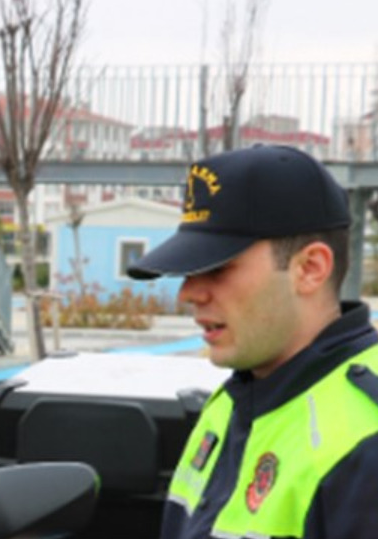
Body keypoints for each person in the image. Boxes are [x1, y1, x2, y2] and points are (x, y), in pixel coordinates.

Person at [127, 144, 378, 539]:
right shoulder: (229, 402)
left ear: (310, 269)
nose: (188, 294)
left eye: (216, 268)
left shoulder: (366, 437)